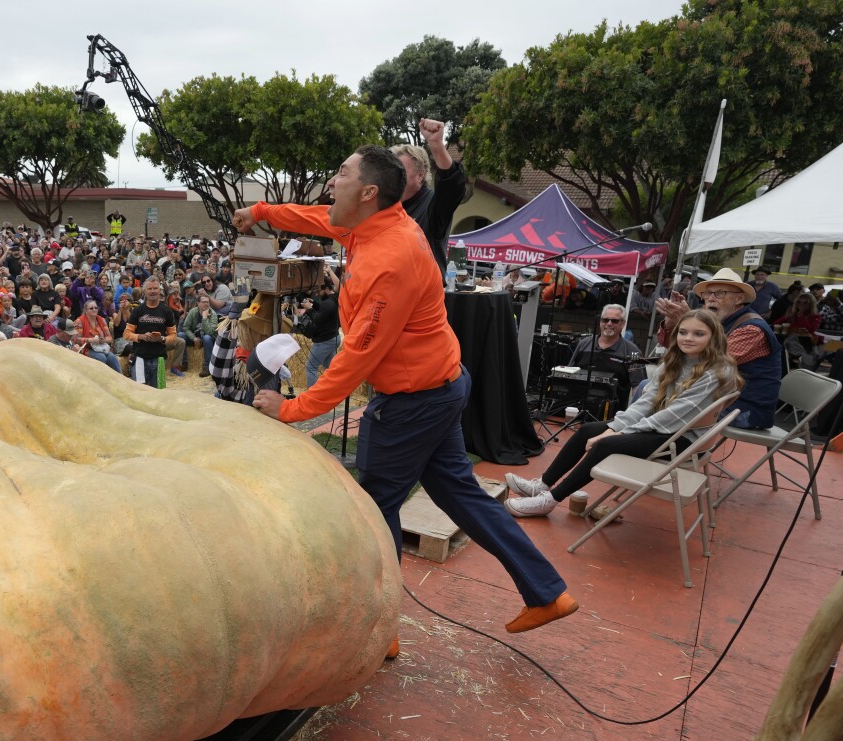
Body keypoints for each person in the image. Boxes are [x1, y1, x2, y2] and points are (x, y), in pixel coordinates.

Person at [236, 144, 576, 644]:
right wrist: (262, 212)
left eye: (341, 173)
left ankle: (382, 630)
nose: (332, 182)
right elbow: (317, 217)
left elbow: (356, 358)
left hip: (414, 401)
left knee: (374, 506)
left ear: (369, 192)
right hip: (440, 385)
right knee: (461, 494)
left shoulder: (389, 259)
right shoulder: (373, 223)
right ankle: (547, 591)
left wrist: (291, 409)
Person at [506, 309, 739, 516]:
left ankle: (551, 500)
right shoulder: (675, 361)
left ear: (713, 338)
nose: (688, 338)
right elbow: (646, 401)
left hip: (683, 440)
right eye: (683, 332)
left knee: (605, 445)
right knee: (588, 429)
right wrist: (615, 427)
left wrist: (615, 435)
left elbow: (673, 416)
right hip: (664, 430)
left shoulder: (716, 372)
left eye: (699, 334)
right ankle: (543, 485)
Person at [655, 267, 781, 430]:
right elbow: (672, 346)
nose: (710, 299)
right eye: (708, 294)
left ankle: (649, 446)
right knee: (651, 388)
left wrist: (689, 322)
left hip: (745, 409)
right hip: (714, 395)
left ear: (739, 299)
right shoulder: (715, 320)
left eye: (719, 293)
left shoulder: (752, 329)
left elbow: (709, 362)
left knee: (661, 398)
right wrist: (672, 322)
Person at [393, 118, 467, 273]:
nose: (394, 177)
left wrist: (436, 145)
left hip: (422, 293)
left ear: (420, 175)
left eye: (401, 171)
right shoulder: (386, 204)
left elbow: (451, 186)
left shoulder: (432, 204)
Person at [124, 278, 183, 387]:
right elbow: (127, 334)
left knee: (159, 392)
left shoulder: (167, 311)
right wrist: (142, 337)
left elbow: (173, 335)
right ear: (144, 291)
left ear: (159, 290)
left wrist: (162, 339)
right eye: (149, 288)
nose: (153, 291)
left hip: (159, 358)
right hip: (139, 358)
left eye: (155, 288)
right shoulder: (137, 310)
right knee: (140, 391)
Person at [294, 267, 341, 386]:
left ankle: (312, 396)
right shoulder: (333, 297)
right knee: (330, 369)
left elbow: (317, 319)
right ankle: (333, 390)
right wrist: (314, 304)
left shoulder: (328, 304)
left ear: (325, 289)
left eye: (318, 291)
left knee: (310, 367)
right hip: (333, 338)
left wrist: (309, 309)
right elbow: (323, 310)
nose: (316, 293)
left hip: (324, 341)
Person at [179, 294, 220, 378]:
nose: (206, 304)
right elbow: (185, 327)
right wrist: (193, 338)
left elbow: (209, 332)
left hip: (208, 339)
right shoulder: (193, 312)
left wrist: (204, 318)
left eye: (207, 302)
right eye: (203, 302)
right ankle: (184, 363)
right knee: (180, 335)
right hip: (195, 336)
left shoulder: (213, 314)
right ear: (198, 303)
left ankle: (207, 367)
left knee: (207, 338)